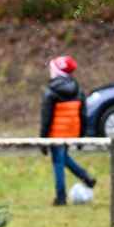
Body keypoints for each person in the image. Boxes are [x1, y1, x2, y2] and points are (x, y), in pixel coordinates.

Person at [39, 55, 96, 206]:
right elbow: (83, 115)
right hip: (71, 131)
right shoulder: (78, 89)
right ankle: (86, 177)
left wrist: (42, 140)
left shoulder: (50, 91)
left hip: (56, 133)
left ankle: (61, 197)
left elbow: (46, 119)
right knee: (63, 157)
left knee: (58, 161)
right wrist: (81, 137)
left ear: (57, 72)